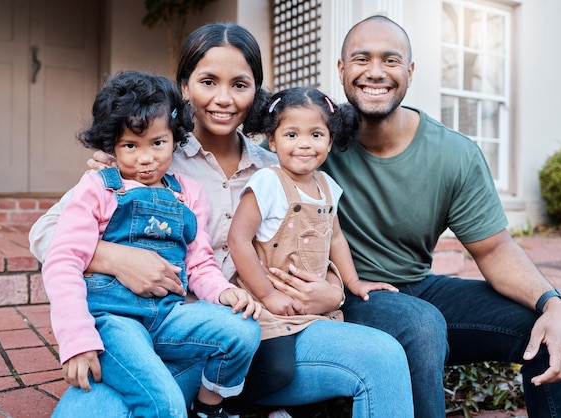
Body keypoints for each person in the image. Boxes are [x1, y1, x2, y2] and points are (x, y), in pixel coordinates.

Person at [30, 23, 414, 418]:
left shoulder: (279, 165)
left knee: (383, 357)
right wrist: (117, 259)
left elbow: (318, 236)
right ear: (184, 87)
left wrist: (334, 290)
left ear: (257, 94)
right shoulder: (149, 158)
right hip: (158, 333)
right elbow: (46, 234)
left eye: (240, 85)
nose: (224, 99)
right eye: (209, 81)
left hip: (258, 335)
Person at [289, 15, 561, 418]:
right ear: (341, 70)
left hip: (414, 287)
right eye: (361, 59)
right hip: (344, 294)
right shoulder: (313, 139)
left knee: (549, 327)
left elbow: (495, 249)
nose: (375, 72)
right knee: (420, 324)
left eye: (390, 60)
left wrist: (553, 303)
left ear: (410, 72)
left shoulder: (453, 155)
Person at [41, 70, 262, 418]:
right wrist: (77, 340)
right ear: (111, 144)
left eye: (157, 143)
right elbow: (63, 262)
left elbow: (199, 263)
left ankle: (211, 408)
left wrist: (223, 293)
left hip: (168, 316)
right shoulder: (98, 188)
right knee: (165, 404)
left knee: (243, 331)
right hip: (113, 320)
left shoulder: (188, 194)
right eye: (131, 145)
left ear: (174, 138)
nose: (146, 158)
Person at [224, 86, 400, 415]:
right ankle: (234, 405)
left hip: (313, 308)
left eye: (316, 134)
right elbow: (238, 240)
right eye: (292, 134)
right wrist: (268, 294)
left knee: (329, 379)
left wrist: (353, 282)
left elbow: (335, 240)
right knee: (278, 369)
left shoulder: (327, 187)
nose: (305, 144)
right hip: (269, 305)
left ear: (330, 141)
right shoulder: (268, 182)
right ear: (272, 141)